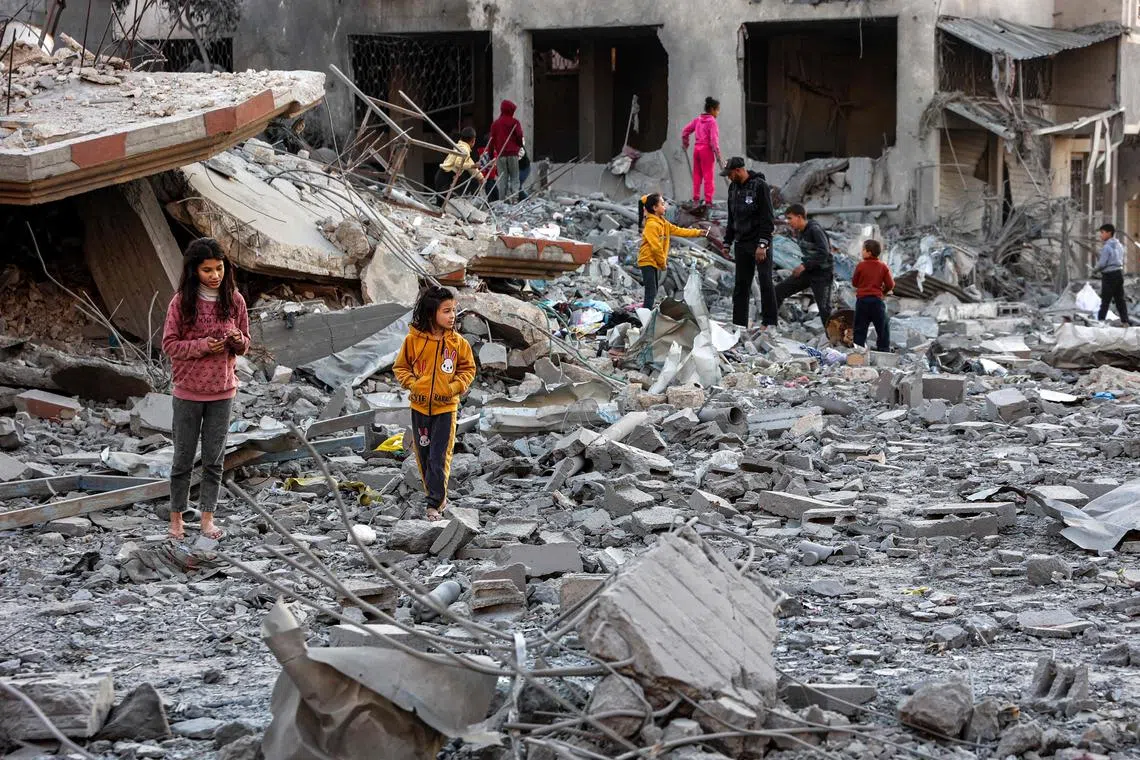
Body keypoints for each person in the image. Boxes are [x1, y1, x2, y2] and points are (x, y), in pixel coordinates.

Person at [161, 237, 250, 541]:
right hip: (187, 391)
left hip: (223, 391)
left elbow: (245, 345)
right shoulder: (181, 302)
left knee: (214, 460)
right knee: (183, 459)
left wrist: (236, 340)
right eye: (207, 270)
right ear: (193, 271)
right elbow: (169, 345)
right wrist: (201, 346)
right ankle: (176, 521)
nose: (215, 275)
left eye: (219, 268)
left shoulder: (234, 300)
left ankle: (207, 520)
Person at [393, 286, 476, 521]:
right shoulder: (413, 341)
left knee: (439, 457)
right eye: (446, 311)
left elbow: (468, 369)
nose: (452, 316)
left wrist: (453, 388)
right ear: (432, 313)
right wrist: (414, 384)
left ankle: (434, 504)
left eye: (454, 311)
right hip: (419, 407)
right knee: (424, 455)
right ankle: (436, 495)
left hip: (446, 409)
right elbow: (401, 367)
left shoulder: (458, 344)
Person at [722, 156, 777, 329]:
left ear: (738, 170)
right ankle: (739, 325)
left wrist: (762, 245)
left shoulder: (760, 186)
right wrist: (727, 242)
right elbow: (732, 218)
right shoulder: (733, 188)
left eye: (730, 174)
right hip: (741, 243)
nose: (729, 177)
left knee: (765, 280)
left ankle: (769, 322)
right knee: (741, 286)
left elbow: (767, 219)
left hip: (758, 243)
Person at [637, 192, 708, 307]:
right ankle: (645, 317)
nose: (665, 207)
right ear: (655, 208)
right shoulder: (651, 225)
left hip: (653, 262)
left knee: (653, 291)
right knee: (650, 292)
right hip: (647, 261)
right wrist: (662, 264)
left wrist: (698, 232)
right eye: (662, 204)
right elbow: (656, 248)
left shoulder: (663, 223)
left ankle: (647, 314)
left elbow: (679, 231)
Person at [775, 204, 834, 329]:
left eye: (790, 218)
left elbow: (824, 252)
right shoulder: (799, 232)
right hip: (809, 271)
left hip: (822, 274)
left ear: (799, 217)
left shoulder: (815, 230)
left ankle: (835, 339)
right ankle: (770, 324)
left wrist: (804, 266)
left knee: (824, 309)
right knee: (779, 291)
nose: (788, 222)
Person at [851, 239, 894, 352]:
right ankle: (883, 349)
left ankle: (858, 351)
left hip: (862, 301)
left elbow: (854, 283)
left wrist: (863, 284)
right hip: (876, 301)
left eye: (863, 249)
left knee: (860, 328)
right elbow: (890, 284)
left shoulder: (861, 265)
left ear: (869, 252)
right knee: (882, 327)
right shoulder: (883, 266)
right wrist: (883, 292)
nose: (862, 252)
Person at [681, 97, 723, 208]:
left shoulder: (698, 120)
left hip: (697, 150)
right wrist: (718, 156)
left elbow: (685, 131)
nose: (718, 112)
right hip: (706, 150)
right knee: (708, 176)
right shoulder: (712, 122)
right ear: (712, 110)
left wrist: (686, 143)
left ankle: (696, 199)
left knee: (697, 175)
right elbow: (714, 141)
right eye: (717, 110)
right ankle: (708, 201)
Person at [434, 126, 484, 204]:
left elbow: (469, 163)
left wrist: (480, 177)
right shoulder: (464, 149)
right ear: (473, 141)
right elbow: (459, 163)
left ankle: (441, 213)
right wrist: (472, 166)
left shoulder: (459, 147)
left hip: (442, 175)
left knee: (442, 200)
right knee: (445, 200)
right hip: (445, 176)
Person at [489, 99, 524, 202]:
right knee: (514, 177)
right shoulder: (515, 122)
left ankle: (502, 200)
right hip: (513, 154)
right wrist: (519, 145)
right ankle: (514, 199)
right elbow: (519, 136)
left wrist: (491, 155)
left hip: (501, 155)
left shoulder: (495, 124)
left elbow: (492, 141)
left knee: (502, 179)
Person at [1095, 223, 1130, 325]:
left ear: (1109, 233)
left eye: (1102, 233)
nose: (1100, 235)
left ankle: (1100, 322)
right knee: (1120, 300)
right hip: (1119, 274)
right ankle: (1125, 322)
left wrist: (1095, 270)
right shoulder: (1119, 245)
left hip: (1109, 276)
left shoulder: (1106, 247)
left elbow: (1102, 264)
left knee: (1105, 300)